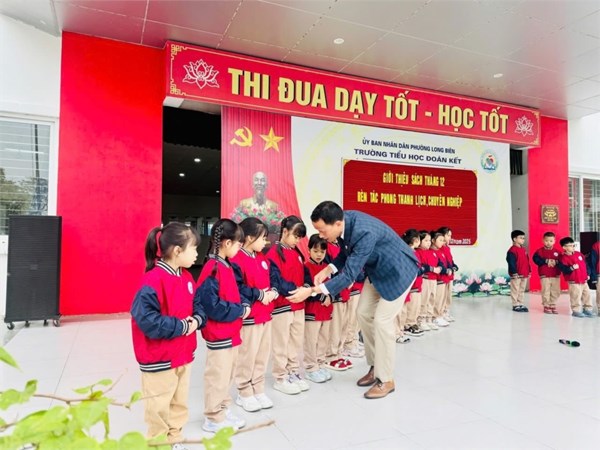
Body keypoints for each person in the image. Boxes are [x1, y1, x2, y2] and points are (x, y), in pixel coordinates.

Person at [288, 201, 419, 400]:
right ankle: (375, 367)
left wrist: (313, 291)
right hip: (378, 272)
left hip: (399, 272)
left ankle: (386, 379)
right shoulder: (346, 221)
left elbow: (349, 275)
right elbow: (346, 252)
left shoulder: (364, 232)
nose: (321, 235)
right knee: (363, 313)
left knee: (382, 322)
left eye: (322, 231)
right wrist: (328, 269)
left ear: (337, 224)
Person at [130, 223, 205, 450]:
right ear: (177, 250)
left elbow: (198, 305)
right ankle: (158, 444)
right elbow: (147, 320)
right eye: (194, 248)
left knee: (179, 403)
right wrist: (182, 326)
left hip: (183, 354)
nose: (197, 253)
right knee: (158, 407)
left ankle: (174, 438)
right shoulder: (153, 280)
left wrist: (198, 320)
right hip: (159, 358)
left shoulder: (187, 278)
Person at [195, 219, 251, 433]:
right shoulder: (213, 268)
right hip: (219, 333)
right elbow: (213, 307)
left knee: (227, 375)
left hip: (230, 331)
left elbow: (234, 294)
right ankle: (213, 417)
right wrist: (239, 311)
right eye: (238, 244)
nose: (239, 248)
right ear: (227, 243)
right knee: (217, 377)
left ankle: (223, 409)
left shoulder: (226, 265)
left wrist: (242, 305)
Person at [231, 217, 278, 412]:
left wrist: (273, 291)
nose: (266, 242)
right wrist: (259, 294)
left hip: (266, 315)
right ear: (250, 237)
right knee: (247, 357)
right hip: (250, 318)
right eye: (263, 238)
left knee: (262, 356)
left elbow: (272, 278)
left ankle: (258, 388)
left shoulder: (262, 258)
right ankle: (244, 391)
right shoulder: (236, 259)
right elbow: (237, 288)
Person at [267, 215, 311, 395]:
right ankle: (280, 377)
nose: (297, 240)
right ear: (284, 231)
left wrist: (306, 287)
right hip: (282, 306)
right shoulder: (273, 253)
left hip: (299, 305)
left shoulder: (297, 253)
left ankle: (293, 371)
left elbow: (305, 273)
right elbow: (276, 280)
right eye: (295, 236)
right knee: (281, 344)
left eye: (300, 237)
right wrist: (296, 291)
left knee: (295, 342)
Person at [303, 234, 334, 383]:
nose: (319, 254)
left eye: (322, 251)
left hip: (327, 311)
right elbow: (308, 289)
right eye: (315, 251)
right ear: (309, 250)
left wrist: (331, 297)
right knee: (311, 340)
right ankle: (311, 368)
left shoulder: (327, 268)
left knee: (323, 339)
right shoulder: (305, 267)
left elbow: (333, 286)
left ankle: (320, 364)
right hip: (312, 311)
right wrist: (323, 298)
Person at [397, 229, 425, 339]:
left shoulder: (414, 252)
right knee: (405, 309)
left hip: (414, 284)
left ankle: (408, 325)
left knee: (414, 307)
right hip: (407, 285)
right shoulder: (406, 252)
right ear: (414, 240)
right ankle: (403, 327)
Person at [558, 236, 594, 318]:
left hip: (584, 280)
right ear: (564, 247)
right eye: (570, 246)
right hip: (574, 281)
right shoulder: (563, 258)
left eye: (573, 245)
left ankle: (588, 309)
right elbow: (563, 269)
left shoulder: (579, 254)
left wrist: (588, 274)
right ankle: (576, 310)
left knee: (587, 295)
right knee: (575, 296)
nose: (573, 247)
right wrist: (571, 268)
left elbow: (586, 265)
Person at [416, 230, 442, 331]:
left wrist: (439, 268)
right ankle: (421, 320)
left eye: (429, 240)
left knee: (431, 299)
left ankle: (429, 318)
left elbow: (438, 263)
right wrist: (432, 269)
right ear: (419, 241)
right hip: (425, 279)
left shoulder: (431, 252)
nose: (428, 243)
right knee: (424, 300)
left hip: (433, 279)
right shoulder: (418, 252)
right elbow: (422, 266)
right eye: (426, 240)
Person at [532, 231, 561, 314]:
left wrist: (556, 262)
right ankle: (546, 305)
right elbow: (536, 260)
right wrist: (546, 261)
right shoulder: (539, 251)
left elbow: (562, 261)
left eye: (551, 241)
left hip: (555, 275)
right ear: (543, 240)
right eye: (546, 240)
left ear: (554, 241)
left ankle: (553, 304)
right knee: (545, 290)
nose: (548, 243)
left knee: (556, 290)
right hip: (544, 275)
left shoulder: (558, 252)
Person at [506, 229, 531, 313]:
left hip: (524, 273)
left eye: (524, 238)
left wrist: (529, 271)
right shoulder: (512, 251)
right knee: (515, 289)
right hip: (516, 275)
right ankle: (515, 305)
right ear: (514, 239)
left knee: (521, 289)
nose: (523, 240)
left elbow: (527, 261)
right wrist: (514, 272)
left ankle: (520, 303)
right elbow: (511, 263)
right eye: (521, 238)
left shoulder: (523, 250)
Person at [438, 226, 459, 322]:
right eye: (448, 235)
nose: (450, 238)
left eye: (450, 235)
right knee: (442, 296)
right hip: (444, 276)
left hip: (450, 276)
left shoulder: (447, 248)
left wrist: (454, 265)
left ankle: (446, 312)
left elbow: (450, 260)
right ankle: (440, 313)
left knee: (448, 296)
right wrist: (447, 269)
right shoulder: (440, 248)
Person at [431, 230, 450, 327]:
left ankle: (440, 315)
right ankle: (435, 317)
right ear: (433, 240)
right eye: (440, 240)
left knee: (442, 299)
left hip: (444, 279)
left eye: (443, 240)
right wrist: (444, 270)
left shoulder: (440, 251)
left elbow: (443, 264)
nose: (442, 242)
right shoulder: (432, 252)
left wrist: (449, 268)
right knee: (437, 299)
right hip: (438, 279)